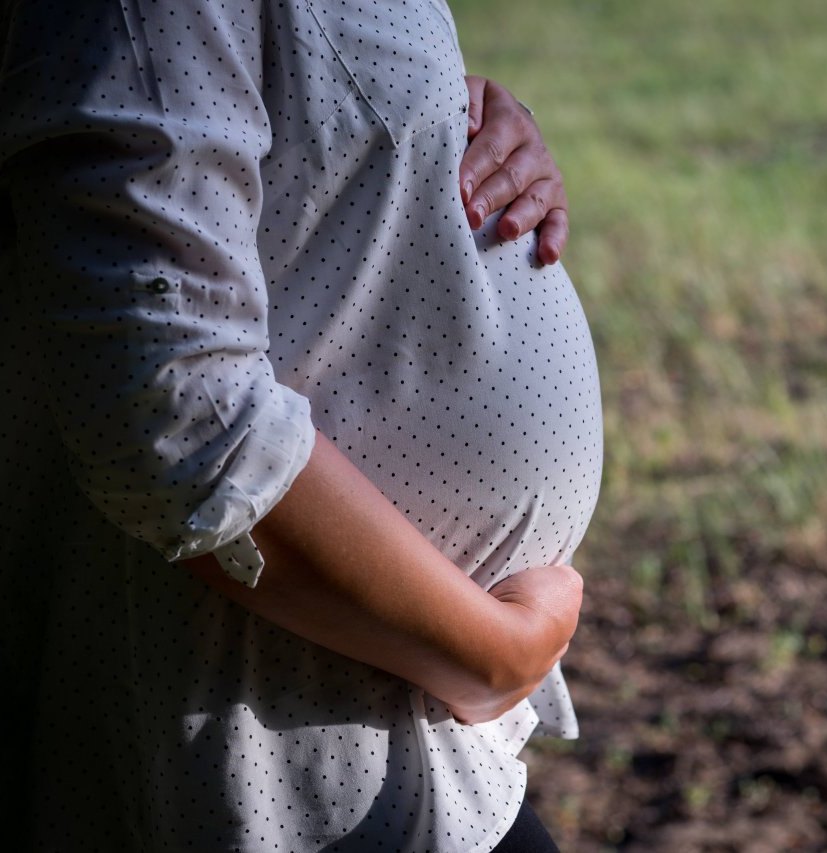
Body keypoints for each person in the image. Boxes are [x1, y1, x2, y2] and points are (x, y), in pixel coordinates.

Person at [0, 1, 603, 850]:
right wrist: (489, 653)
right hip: (274, 764)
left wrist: (461, 130)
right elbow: (171, 408)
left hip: (396, 739)